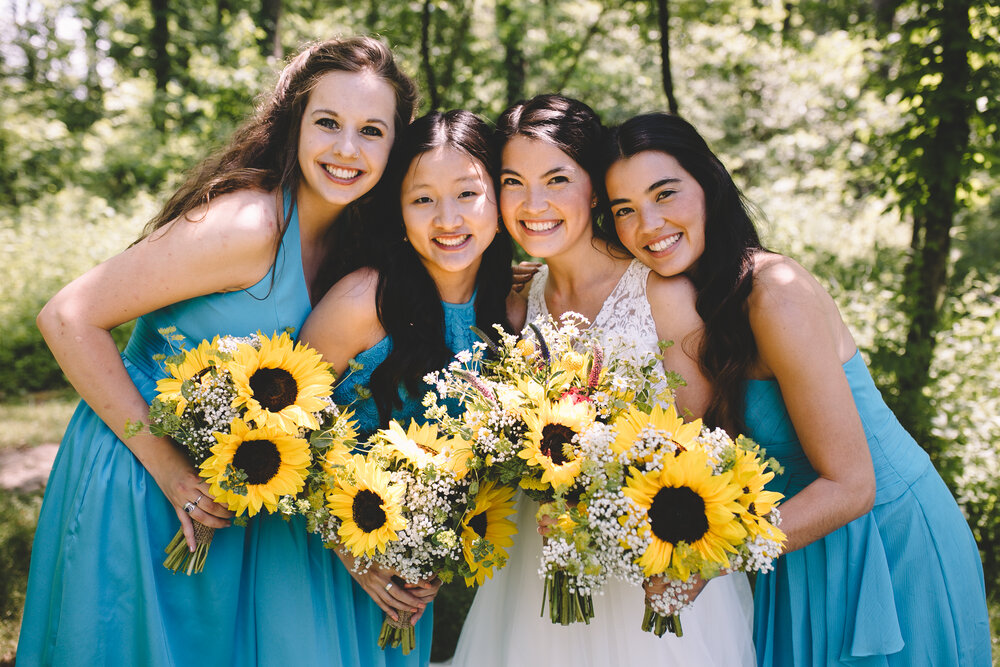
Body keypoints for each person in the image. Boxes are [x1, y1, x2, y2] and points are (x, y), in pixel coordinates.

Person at [18, 37, 419, 666]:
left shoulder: (350, 243)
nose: (347, 149)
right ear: (293, 125)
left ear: (396, 147)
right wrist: (169, 467)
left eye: (372, 130)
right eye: (328, 123)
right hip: (140, 463)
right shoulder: (250, 224)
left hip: (229, 492)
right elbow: (67, 317)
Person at [602, 111, 991, 666]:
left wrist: (709, 558)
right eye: (624, 211)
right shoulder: (698, 295)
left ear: (709, 185)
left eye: (666, 194)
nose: (649, 224)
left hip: (882, 535)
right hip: (792, 540)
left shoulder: (775, 295)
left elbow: (854, 485)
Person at [451, 95, 755, 667]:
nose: (532, 203)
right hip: (536, 574)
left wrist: (603, 493)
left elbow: (704, 454)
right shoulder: (519, 301)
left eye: (556, 179)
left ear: (595, 189)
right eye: (513, 182)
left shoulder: (662, 295)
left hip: (644, 577)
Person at [300, 109, 518, 667]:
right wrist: (354, 551)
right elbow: (286, 428)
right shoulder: (362, 302)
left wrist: (436, 544)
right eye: (422, 199)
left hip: (417, 577)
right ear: (398, 213)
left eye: (467, 194)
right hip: (320, 557)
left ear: (499, 200)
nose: (447, 218)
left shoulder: (514, 312)